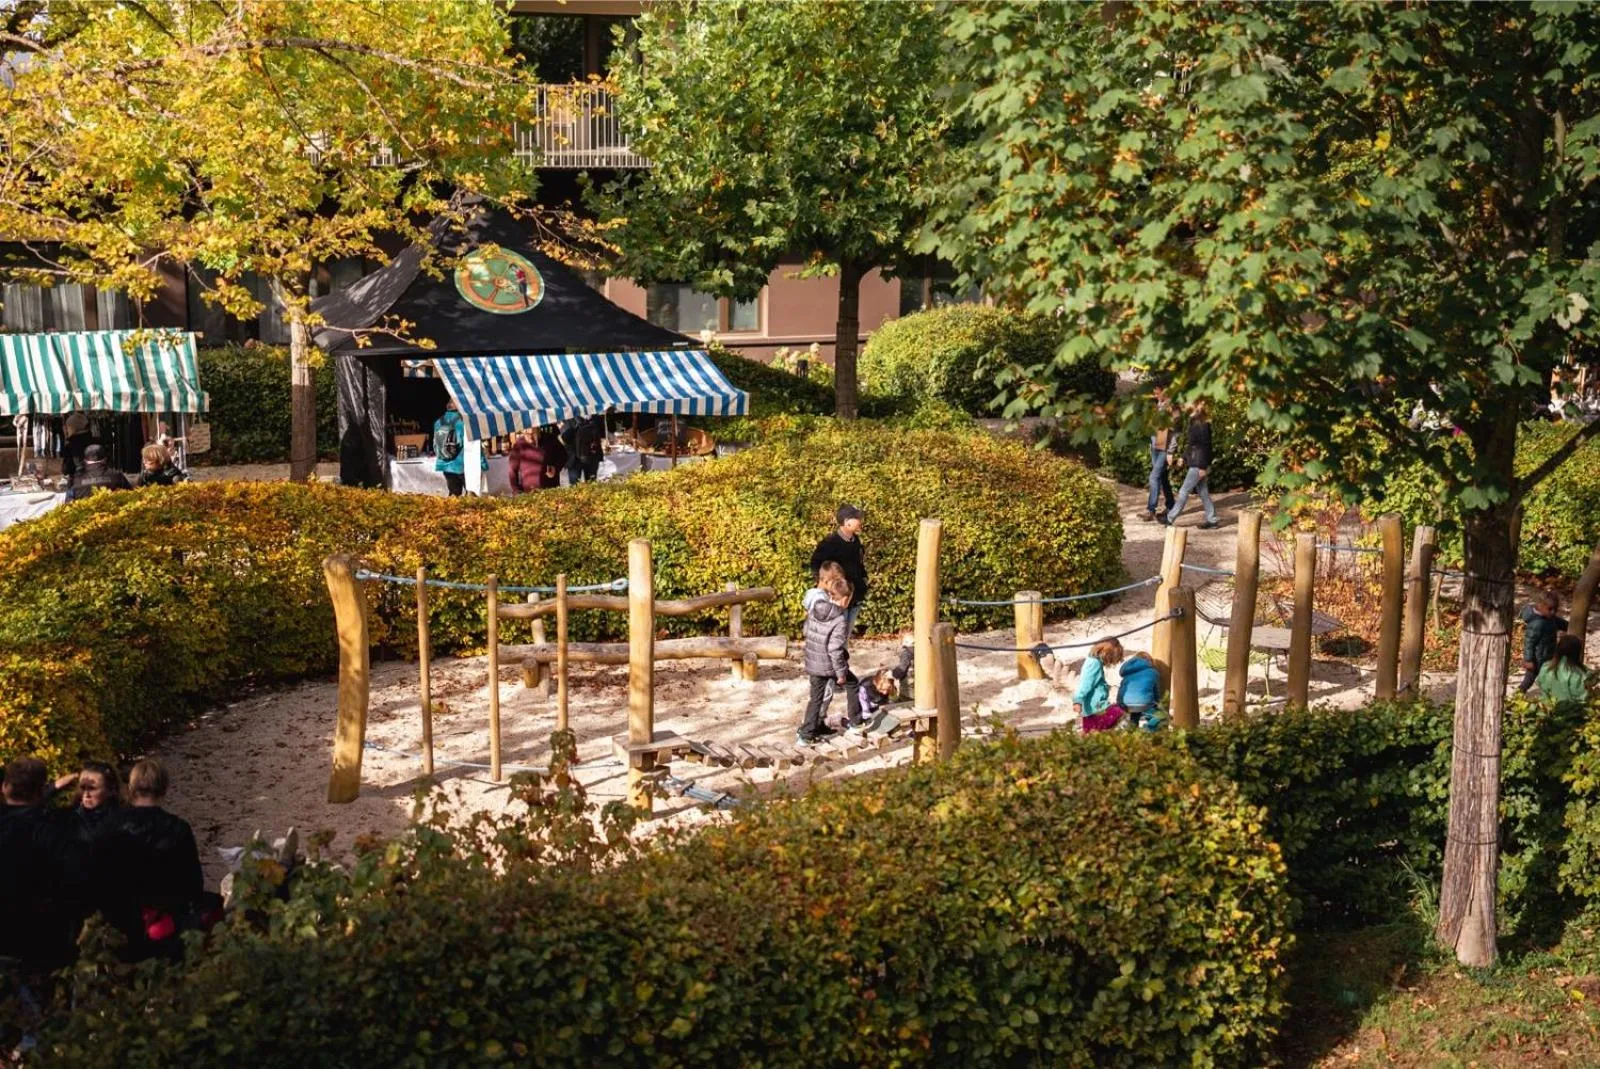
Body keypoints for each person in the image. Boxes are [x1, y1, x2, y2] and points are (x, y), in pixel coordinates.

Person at [92, 758, 205, 963]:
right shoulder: (178, 828)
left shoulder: (109, 826)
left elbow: (97, 875)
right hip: (165, 922)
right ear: (164, 788)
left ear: (132, 787)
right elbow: (193, 883)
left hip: (119, 922)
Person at [798, 574, 859, 745]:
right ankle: (856, 722)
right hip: (830, 665)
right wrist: (841, 673)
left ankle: (807, 733)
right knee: (852, 683)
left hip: (814, 662)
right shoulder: (840, 620)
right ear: (846, 600)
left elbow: (806, 631)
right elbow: (835, 649)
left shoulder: (816, 607)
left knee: (816, 698)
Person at [809, 505, 868, 632]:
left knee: (845, 635)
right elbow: (815, 565)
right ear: (847, 522)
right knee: (836, 634)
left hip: (854, 597)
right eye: (857, 518)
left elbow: (859, 563)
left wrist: (863, 580)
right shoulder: (830, 543)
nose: (860, 521)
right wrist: (829, 587)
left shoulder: (855, 540)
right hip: (838, 600)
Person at [1163, 401, 1219, 530]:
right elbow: (1191, 444)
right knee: (1203, 492)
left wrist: (1203, 467)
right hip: (1195, 461)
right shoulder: (1193, 420)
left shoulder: (1203, 423)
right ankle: (1212, 520)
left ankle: (1170, 518)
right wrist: (1183, 457)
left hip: (1198, 464)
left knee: (1183, 491)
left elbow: (1206, 446)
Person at [1517, 590, 1567, 693]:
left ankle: (1548, 695)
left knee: (1550, 677)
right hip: (1537, 660)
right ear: (1540, 606)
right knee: (1529, 680)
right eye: (1550, 609)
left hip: (1548, 655)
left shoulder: (1550, 617)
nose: (1553, 612)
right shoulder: (1536, 625)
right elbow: (1529, 644)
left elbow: (1562, 623)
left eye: (1555, 609)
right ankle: (1518, 694)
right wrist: (1528, 660)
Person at [1143, 388, 1177, 522]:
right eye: (1154, 393)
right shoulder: (1158, 406)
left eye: (1158, 393)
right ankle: (1171, 505)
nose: (1155, 395)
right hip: (1155, 447)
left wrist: (1170, 451)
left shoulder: (1171, 408)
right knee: (1162, 479)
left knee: (1153, 477)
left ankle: (1151, 509)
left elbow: (1175, 433)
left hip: (1164, 449)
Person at [507, 425, 567, 493]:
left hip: (551, 490)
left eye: (533, 434)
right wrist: (516, 490)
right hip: (528, 493)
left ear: (538, 430)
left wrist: (555, 468)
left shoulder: (550, 439)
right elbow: (512, 470)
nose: (530, 437)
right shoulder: (519, 445)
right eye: (527, 434)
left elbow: (563, 455)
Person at [64, 443, 132, 502]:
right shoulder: (117, 475)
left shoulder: (74, 479)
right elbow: (131, 495)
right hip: (113, 514)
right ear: (105, 459)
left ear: (85, 461)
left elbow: (68, 503)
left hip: (83, 515)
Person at [1116, 650, 1165, 730]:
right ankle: (1150, 733)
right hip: (1143, 703)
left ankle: (1132, 734)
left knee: (1134, 716)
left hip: (1125, 703)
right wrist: (1158, 703)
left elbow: (1122, 688)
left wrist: (1121, 703)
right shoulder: (1153, 672)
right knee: (1158, 717)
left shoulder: (1128, 672)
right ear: (1149, 661)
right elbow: (1156, 691)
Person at [1535, 634, 1589, 704]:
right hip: (1573, 712)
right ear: (1577, 653)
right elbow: (1583, 698)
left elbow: (1543, 691)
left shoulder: (1546, 667)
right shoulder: (1578, 674)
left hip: (1549, 710)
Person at [433, 400, 468, 497]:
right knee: (471, 497)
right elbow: (467, 443)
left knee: (454, 496)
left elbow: (436, 443)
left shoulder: (438, 422)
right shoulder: (463, 422)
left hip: (444, 463)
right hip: (461, 464)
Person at [560, 414, 606, 484]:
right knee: (591, 485)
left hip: (578, 458)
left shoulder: (569, 417)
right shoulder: (596, 417)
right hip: (587, 456)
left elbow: (566, 438)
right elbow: (602, 434)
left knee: (576, 486)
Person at [58, 411, 96, 485]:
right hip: (93, 475)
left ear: (73, 426)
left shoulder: (72, 442)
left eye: (68, 427)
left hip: (78, 477)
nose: (66, 430)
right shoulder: (91, 439)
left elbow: (67, 463)